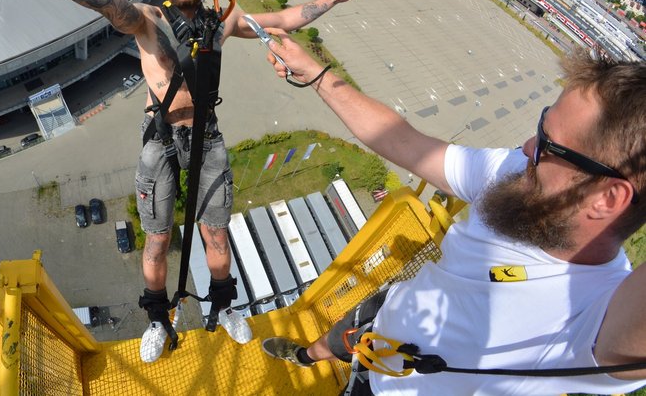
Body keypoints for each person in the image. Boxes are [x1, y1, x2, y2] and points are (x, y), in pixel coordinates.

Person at [5, 0, 367, 362]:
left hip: (206, 137)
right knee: (157, 240)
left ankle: (224, 305)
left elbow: (286, 19)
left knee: (216, 234)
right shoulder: (147, 21)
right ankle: (158, 319)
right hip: (160, 140)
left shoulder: (222, 22)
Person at [258, 32, 646, 395]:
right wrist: (318, 75)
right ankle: (305, 356)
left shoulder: (595, 316)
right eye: (540, 126)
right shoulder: (515, 176)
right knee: (338, 336)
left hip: (385, 387)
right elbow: (407, 143)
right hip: (390, 312)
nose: (528, 145)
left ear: (606, 199)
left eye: (549, 144)